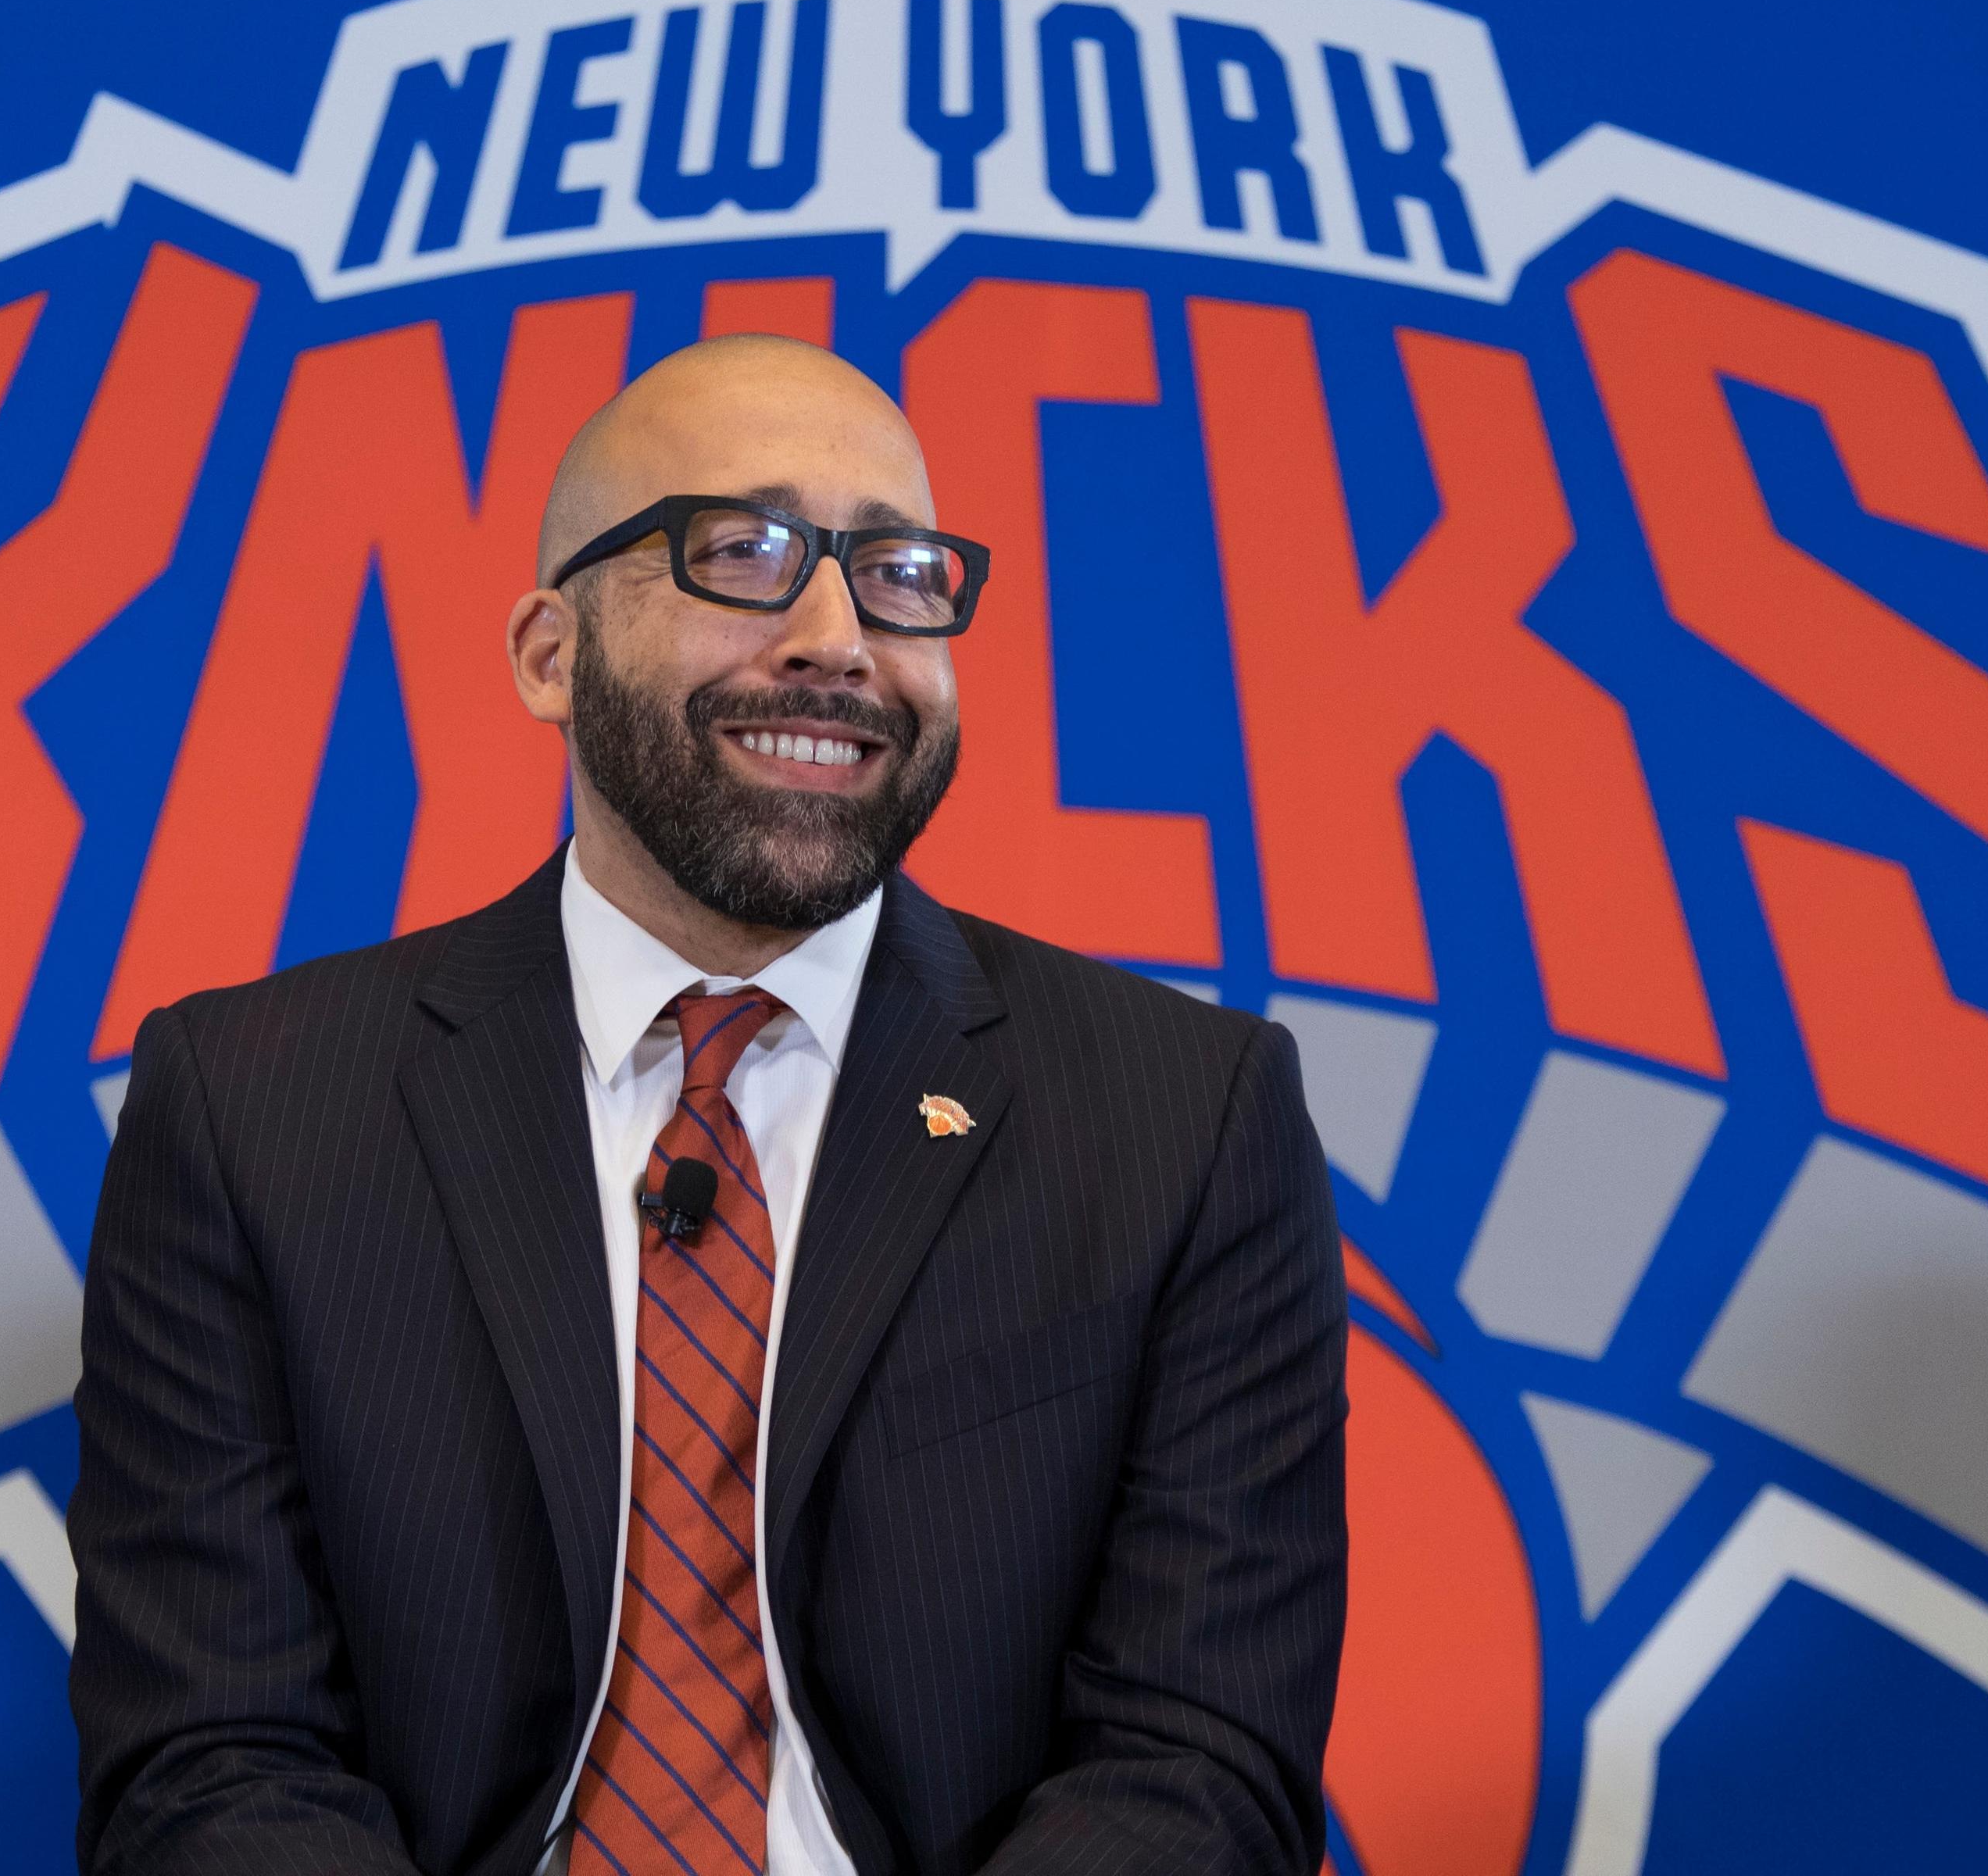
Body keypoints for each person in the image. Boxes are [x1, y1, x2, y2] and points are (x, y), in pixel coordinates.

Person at [67, 331, 1348, 1876]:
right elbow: (212, 1759)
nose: (839, 635)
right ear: (551, 653)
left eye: (902, 574)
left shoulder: (1184, 1116)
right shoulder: (252, 1108)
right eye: (745, 552)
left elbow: (1196, 1765)